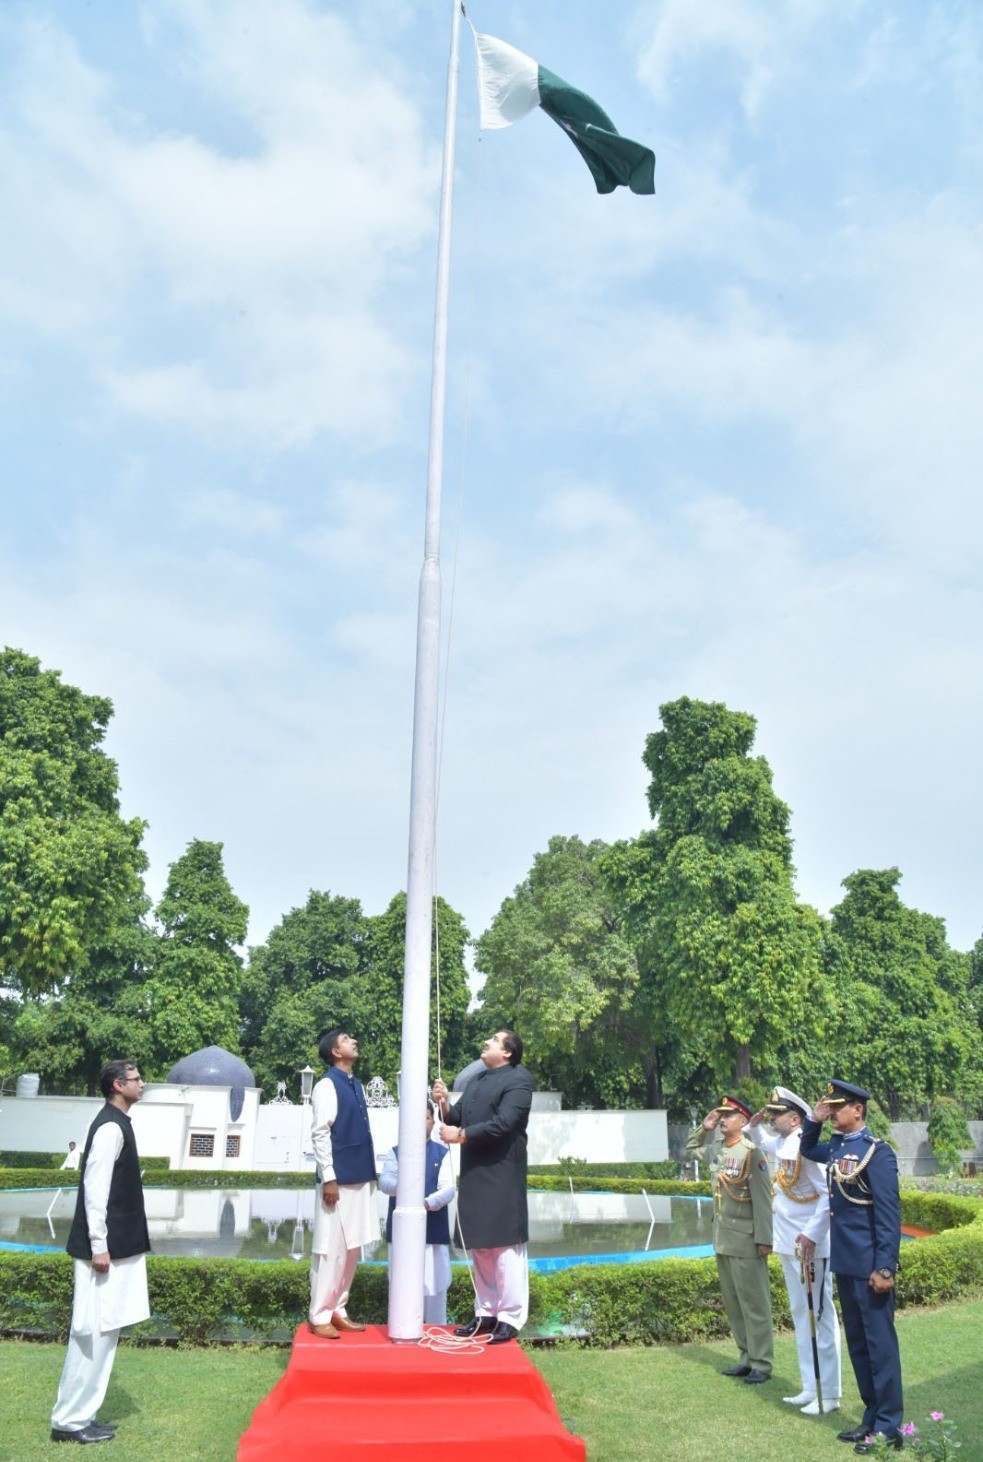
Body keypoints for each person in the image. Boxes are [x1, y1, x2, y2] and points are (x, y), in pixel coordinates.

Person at [50, 1059, 151, 1446]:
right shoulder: (110, 1126)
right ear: (116, 1085)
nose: (142, 1083)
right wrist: (99, 1246)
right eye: (135, 1079)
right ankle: (69, 1420)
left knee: (104, 1330)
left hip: (115, 1247)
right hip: (104, 1251)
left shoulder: (118, 1123)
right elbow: (95, 1189)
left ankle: (81, 1416)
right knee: (91, 1331)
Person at [800, 1080, 903, 1455]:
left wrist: (886, 1267)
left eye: (837, 1107)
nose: (832, 1112)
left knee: (880, 1348)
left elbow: (889, 1217)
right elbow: (808, 1147)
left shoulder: (877, 1152)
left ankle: (890, 1426)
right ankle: (872, 1416)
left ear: (858, 1110)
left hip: (871, 1268)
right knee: (859, 1346)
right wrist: (813, 1119)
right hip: (845, 1264)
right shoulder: (838, 1148)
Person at [432, 1030, 534, 1344]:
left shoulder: (520, 1080)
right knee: (482, 1247)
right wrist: (445, 1103)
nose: (486, 1041)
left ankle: (510, 1316)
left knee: (504, 1247)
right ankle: (486, 1312)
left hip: (502, 1172)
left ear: (508, 1052)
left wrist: (459, 1135)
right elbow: (458, 1116)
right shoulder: (476, 1081)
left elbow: (503, 1124)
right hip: (475, 1171)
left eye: (493, 1039)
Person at [747, 1087, 841, 1414]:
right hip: (788, 1243)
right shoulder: (785, 1143)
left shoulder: (806, 1148)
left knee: (820, 1317)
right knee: (802, 1316)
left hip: (810, 1245)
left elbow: (828, 1195)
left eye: (777, 1114)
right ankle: (808, 1386)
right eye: (771, 1113)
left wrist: (811, 1234)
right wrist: (754, 1123)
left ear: (795, 1118)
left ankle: (828, 1394)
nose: (772, 1117)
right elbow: (758, 1140)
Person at [686, 1096, 774, 1384]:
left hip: (747, 1241)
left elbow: (762, 1202)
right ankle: (746, 1358)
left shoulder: (752, 1154)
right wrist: (704, 1127)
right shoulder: (718, 1151)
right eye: (720, 1115)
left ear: (743, 1121)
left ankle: (762, 1362)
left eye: (729, 1115)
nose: (722, 1119)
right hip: (723, 1240)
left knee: (754, 1304)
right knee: (734, 1304)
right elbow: (691, 1149)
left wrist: (764, 1239)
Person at [308, 1029, 379, 1339]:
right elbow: (320, 1132)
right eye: (348, 1039)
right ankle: (319, 1313)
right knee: (330, 1249)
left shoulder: (356, 1085)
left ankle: (339, 1308)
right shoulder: (326, 1085)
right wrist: (329, 1177)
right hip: (338, 1180)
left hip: (361, 1176)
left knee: (352, 1248)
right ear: (335, 1052)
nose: (355, 1042)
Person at [379, 1105, 455, 1324]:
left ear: (433, 1122)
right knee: (402, 1284)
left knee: (436, 1283)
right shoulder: (396, 1152)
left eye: (428, 1117)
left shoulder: (442, 1153)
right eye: (418, 1117)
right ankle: (403, 1328)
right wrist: (408, 1193)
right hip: (403, 1230)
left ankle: (437, 1330)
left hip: (433, 1228)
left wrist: (425, 1203)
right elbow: (385, 1182)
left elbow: (448, 1188)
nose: (423, 1122)